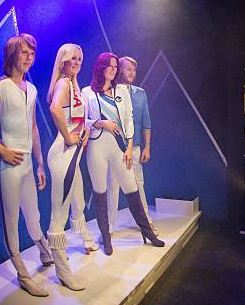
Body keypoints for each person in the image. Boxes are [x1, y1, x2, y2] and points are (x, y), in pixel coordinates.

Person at [0, 34, 53, 297]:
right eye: (24, 52)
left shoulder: (33, 89)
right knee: (11, 223)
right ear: (12, 55)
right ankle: (23, 275)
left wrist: (40, 164)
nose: (29, 57)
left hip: (28, 163)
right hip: (9, 167)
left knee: (34, 215)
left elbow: (34, 128)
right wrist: (1, 149)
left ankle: (44, 250)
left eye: (32, 53)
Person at [82, 53, 164, 256]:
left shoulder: (121, 91)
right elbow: (82, 121)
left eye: (114, 66)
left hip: (120, 148)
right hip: (96, 147)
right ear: (100, 67)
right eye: (108, 66)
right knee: (101, 193)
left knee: (132, 188)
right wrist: (101, 123)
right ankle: (106, 236)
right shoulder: (87, 92)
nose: (112, 69)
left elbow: (128, 120)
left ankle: (148, 233)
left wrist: (129, 147)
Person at [46, 43, 96, 291]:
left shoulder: (73, 85)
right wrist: (68, 136)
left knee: (76, 202)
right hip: (63, 154)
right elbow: (55, 109)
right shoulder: (64, 84)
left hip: (72, 155)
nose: (76, 62)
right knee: (59, 215)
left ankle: (83, 242)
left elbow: (75, 118)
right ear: (63, 61)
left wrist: (83, 131)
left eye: (79, 59)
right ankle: (63, 272)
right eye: (72, 59)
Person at [106, 56, 156, 237]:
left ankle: (147, 223)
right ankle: (109, 227)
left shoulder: (140, 93)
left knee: (139, 184)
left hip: (134, 147)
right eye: (128, 69)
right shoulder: (109, 91)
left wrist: (147, 146)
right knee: (113, 186)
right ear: (119, 70)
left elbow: (146, 122)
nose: (132, 73)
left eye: (134, 70)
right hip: (115, 147)